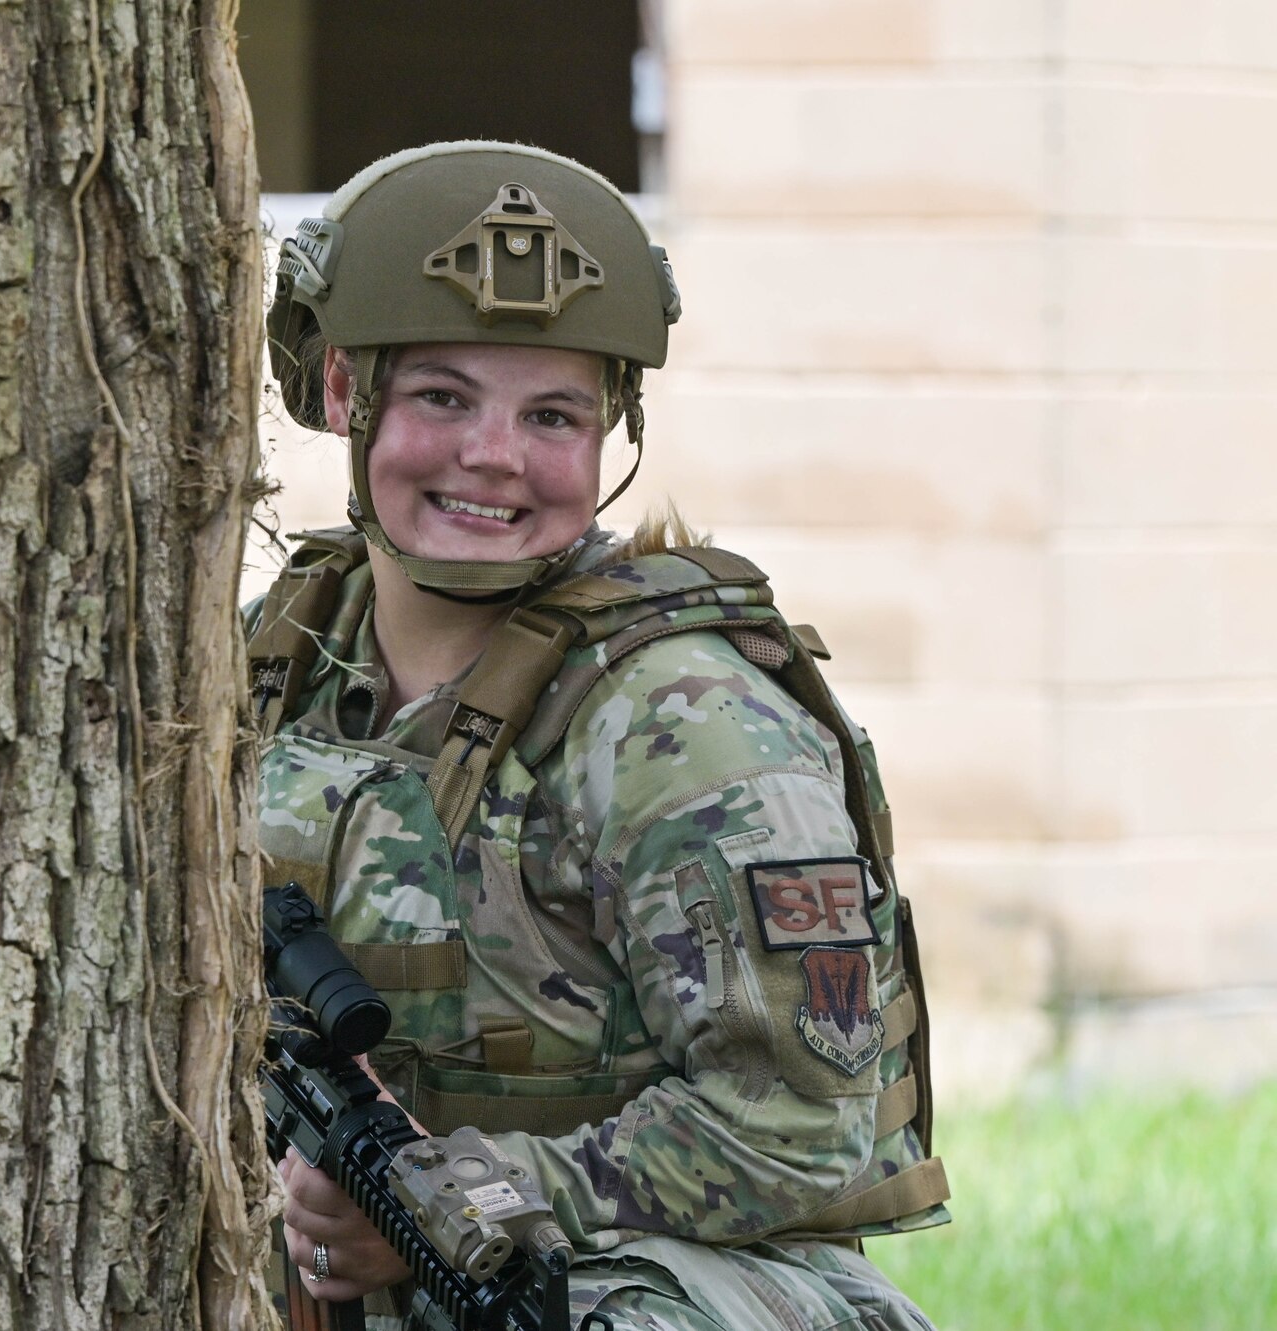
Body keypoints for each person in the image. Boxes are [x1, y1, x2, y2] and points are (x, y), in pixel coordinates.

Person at [249, 142, 951, 1330]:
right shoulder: (275, 657)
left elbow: (796, 1129)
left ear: (608, 435)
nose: (494, 455)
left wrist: (448, 1202)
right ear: (337, 393)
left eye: (553, 413)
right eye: (440, 396)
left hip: (644, 1278)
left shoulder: (686, 723)